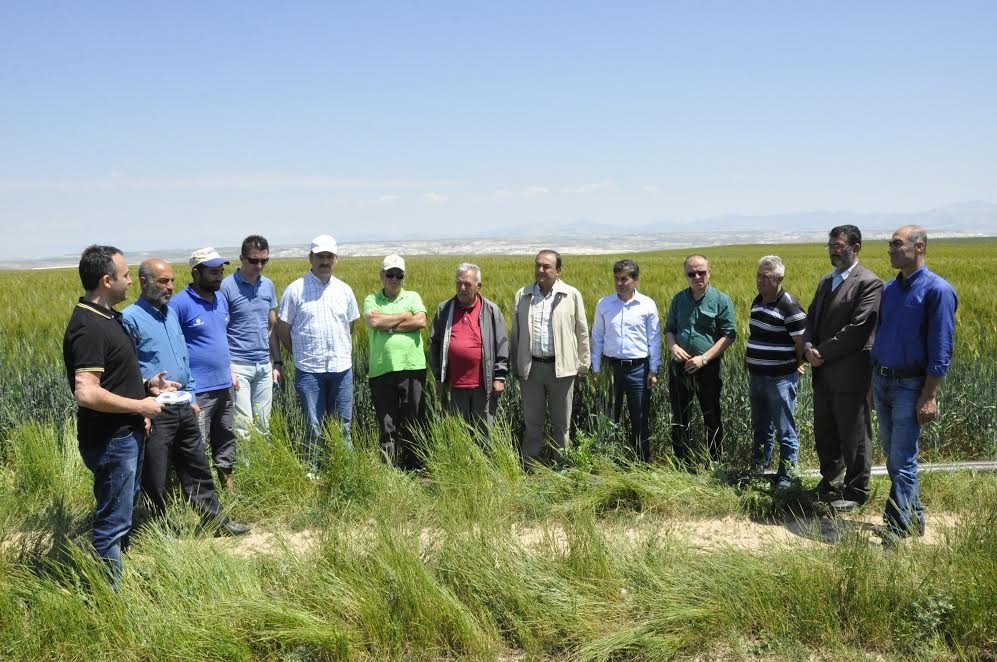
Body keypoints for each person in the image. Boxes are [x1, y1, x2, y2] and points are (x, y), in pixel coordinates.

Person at [63, 245, 173, 586]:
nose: (130, 281)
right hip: (112, 440)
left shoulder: (110, 318)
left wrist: (146, 385)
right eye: (125, 276)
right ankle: (108, 597)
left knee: (121, 514)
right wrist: (141, 406)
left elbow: (112, 377)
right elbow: (87, 391)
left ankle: (114, 578)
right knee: (112, 522)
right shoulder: (89, 327)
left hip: (126, 434)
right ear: (107, 280)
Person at [122, 258, 250, 536]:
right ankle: (158, 529)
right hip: (155, 409)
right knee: (155, 474)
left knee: (197, 467)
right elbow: (126, 368)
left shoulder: (170, 314)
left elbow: (183, 359)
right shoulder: (131, 318)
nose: (170, 287)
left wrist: (191, 395)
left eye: (171, 281)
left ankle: (216, 523)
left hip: (183, 404)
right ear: (144, 282)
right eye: (162, 281)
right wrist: (143, 399)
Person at [871, 225, 957, 544]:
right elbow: (879, 337)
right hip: (882, 380)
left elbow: (942, 347)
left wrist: (930, 395)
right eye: (890, 244)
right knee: (894, 456)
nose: (890, 250)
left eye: (897, 244)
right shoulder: (889, 290)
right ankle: (913, 519)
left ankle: (898, 528)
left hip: (911, 385)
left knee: (902, 458)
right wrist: (871, 381)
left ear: (919, 248)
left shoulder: (938, 291)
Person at [802, 225, 882, 510]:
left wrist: (820, 351)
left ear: (855, 247)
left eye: (838, 245)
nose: (832, 250)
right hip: (821, 371)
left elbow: (858, 329)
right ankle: (830, 482)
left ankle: (856, 491)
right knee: (826, 431)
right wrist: (807, 347)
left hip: (850, 374)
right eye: (830, 245)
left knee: (854, 434)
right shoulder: (826, 281)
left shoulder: (869, 283)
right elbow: (811, 318)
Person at [276, 234, 359, 473]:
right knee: (313, 424)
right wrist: (298, 353)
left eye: (329, 257)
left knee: (342, 424)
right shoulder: (295, 290)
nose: (325, 261)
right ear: (310, 258)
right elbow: (283, 328)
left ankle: (344, 469)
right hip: (309, 370)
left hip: (342, 368)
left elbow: (349, 326)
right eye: (320, 256)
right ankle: (312, 471)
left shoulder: (345, 290)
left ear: (336, 259)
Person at [510, 250, 590, 465]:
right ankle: (530, 463)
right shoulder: (523, 294)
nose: (540, 270)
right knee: (532, 421)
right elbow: (516, 333)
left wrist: (583, 365)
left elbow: (581, 331)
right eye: (537, 265)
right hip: (532, 367)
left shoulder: (571, 294)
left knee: (561, 422)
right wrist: (516, 366)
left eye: (546, 266)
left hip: (562, 368)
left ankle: (560, 464)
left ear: (558, 270)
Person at [170, 248, 239, 490]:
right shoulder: (179, 304)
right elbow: (172, 345)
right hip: (198, 389)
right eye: (212, 272)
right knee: (197, 443)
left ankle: (227, 487)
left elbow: (220, 339)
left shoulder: (221, 300)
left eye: (221, 271)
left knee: (226, 438)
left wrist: (230, 369)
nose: (219, 276)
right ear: (195, 273)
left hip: (224, 384)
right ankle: (198, 494)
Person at [664, 254, 737, 465]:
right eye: (691, 273)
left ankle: (714, 463)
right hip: (679, 367)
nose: (697, 277)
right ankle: (682, 463)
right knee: (679, 417)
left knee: (711, 416)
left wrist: (704, 359)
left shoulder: (721, 300)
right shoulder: (678, 299)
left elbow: (729, 335)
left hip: (708, 368)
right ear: (686, 275)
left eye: (701, 272)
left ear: (709, 272)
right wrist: (673, 346)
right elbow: (669, 329)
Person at [590, 259, 662, 462]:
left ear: (636, 280)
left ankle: (641, 463)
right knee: (608, 417)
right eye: (616, 279)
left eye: (624, 279)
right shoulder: (604, 304)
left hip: (639, 368)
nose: (620, 283)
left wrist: (654, 370)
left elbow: (654, 339)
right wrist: (596, 369)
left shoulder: (647, 305)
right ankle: (607, 461)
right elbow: (597, 336)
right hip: (610, 367)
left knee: (639, 418)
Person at [746, 256, 807, 488]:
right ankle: (759, 468)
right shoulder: (757, 301)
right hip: (758, 376)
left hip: (780, 378)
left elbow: (802, 341)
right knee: (761, 427)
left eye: (766, 276)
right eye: (758, 275)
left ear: (780, 278)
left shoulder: (789, 305)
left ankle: (788, 477)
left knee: (784, 429)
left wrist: (795, 364)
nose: (760, 280)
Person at [363, 255, 429, 469]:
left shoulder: (413, 296)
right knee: (387, 423)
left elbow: (421, 320)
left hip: (412, 368)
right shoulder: (371, 299)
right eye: (390, 274)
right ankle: (389, 471)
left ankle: (415, 468)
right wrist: (404, 316)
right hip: (382, 369)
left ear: (403, 277)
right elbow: (373, 321)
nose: (394, 279)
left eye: (398, 275)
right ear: (381, 275)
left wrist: (387, 325)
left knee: (413, 419)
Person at [428, 262, 509, 431]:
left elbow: (502, 344)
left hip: (484, 386)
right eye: (459, 283)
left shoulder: (491, 311)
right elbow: (434, 344)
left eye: (467, 284)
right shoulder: (444, 309)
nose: (462, 288)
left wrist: (500, 377)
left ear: (478, 286)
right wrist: (438, 377)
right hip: (455, 387)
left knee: (485, 434)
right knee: (459, 435)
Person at [221, 235, 281, 440]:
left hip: (264, 365)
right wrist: (228, 367)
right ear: (241, 258)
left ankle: (263, 471)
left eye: (264, 261)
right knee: (243, 428)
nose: (260, 265)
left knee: (264, 425)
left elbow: (271, 326)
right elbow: (219, 330)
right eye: (254, 260)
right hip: (238, 366)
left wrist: (277, 362)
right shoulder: (226, 287)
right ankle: (246, 472)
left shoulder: (268, 286)